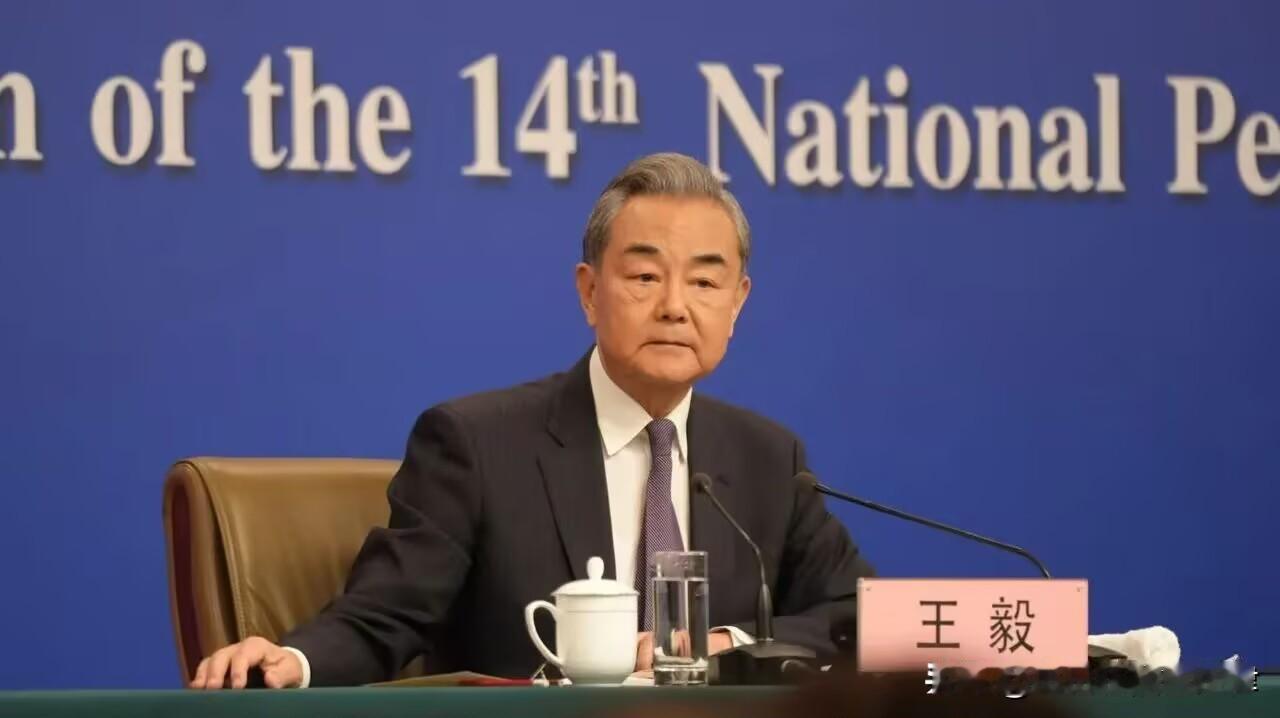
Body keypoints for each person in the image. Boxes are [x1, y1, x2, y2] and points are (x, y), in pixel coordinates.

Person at [191, 152, 874, 689]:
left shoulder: (767, 459)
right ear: (589, 292)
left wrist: (732, 644)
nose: (675, 306)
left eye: (703, 282)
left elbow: (862, 617)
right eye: (644, 277)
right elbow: (385, 614)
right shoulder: (477, 446)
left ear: (737, 302)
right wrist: (292, 659)